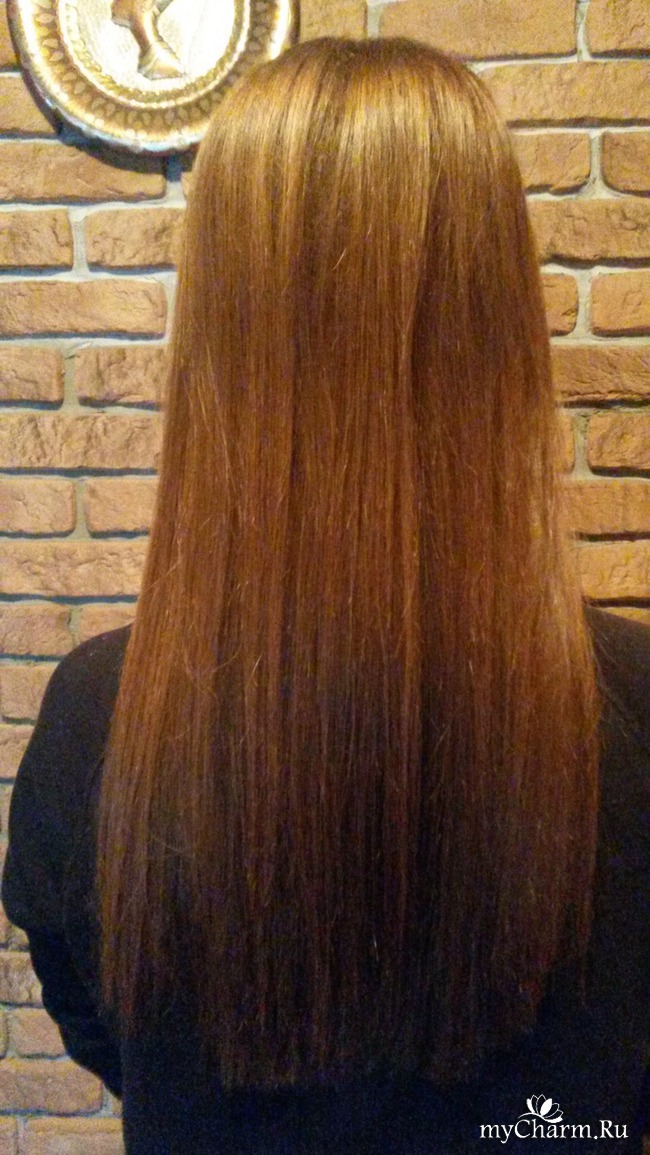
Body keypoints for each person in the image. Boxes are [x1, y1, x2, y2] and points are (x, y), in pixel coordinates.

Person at [2, 37, 648, 1154]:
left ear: (218, 327)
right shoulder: (636, 700)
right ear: (498, 318)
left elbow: (96, 1020)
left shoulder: (96, 713)